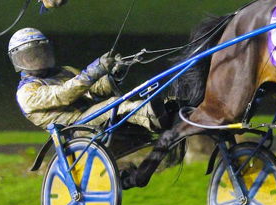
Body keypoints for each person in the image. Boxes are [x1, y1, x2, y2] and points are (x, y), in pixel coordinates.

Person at [9, 28, 163, 132]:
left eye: (40, 53)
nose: (38, 59)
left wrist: (113, 76)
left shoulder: (66, 71)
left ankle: (166, 108)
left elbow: (92, 91)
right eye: (30, 56)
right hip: (75, 128)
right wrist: (95, 70)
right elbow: (64, 94)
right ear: (18, 61)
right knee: (113, 104)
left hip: (91, 115)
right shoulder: (26, 92)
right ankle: (155, 117)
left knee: (119, 100)